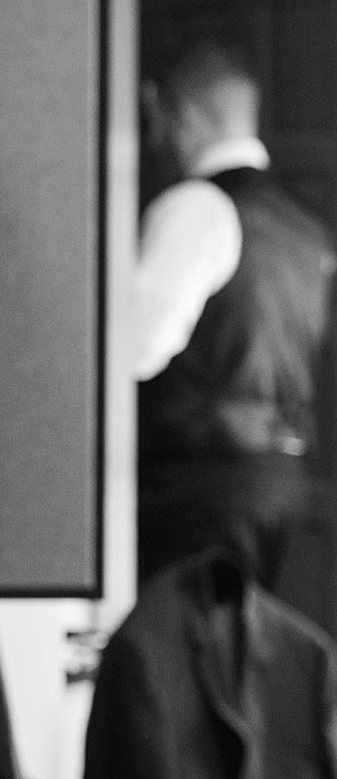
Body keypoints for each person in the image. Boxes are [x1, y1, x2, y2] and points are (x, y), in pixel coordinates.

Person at [136, 41, 334, 586]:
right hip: (282, 477)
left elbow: (138, 349)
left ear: (187, 117)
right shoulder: (307, 225)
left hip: (199, 483)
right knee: (251, 654)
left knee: (179, 657)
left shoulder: (195, 207)